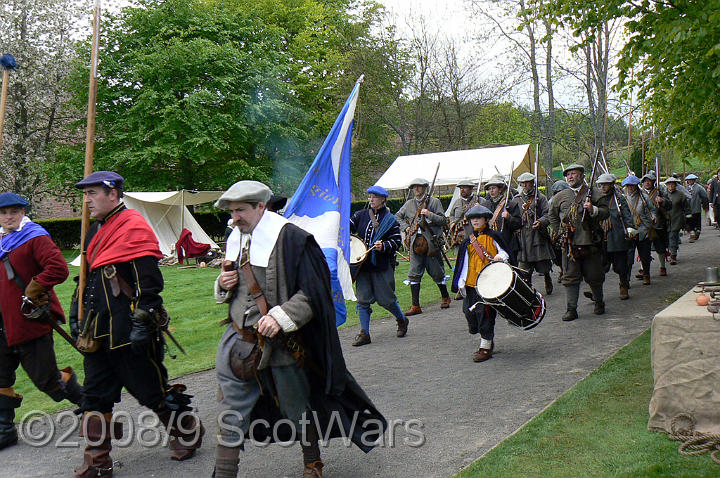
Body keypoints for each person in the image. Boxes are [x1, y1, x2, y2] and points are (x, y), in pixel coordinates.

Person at [213, 181, 386, 478]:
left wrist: (280, 317)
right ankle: (224, 473)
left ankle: (312, 461)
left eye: (241, 210)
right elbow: (236, 289)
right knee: (230, 412)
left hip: (281, 345)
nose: (235, 217)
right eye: (231, 211)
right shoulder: (236, 237)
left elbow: (314, 293)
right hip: (239, 346)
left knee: (297, 408)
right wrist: (222, 284)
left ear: (260, 207)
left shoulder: (293, 240)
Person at [72, 171, 203, 478]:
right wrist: (77, 315)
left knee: (151, 392)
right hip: (97, 329)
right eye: (86, 194)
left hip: (129, 330)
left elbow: (149, 283)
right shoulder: (93, 231)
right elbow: (89, 278)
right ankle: (98, 461)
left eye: (92, 193)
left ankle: (187, 432)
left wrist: (143, 323)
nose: (87, 200)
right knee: (94, 395)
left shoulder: (133, 226)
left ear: (113, 193)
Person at [0, 193, 82, 450]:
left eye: (14, 211)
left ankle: (91, 403)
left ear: (23, 212)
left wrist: (35, 288)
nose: (8, 217)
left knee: (46, 379)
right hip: (1, 323)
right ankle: (4, 430)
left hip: (28, 320)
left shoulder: (34, 236)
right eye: (3, 212)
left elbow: (59, 268)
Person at [451, 205, 512, 362]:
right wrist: (460, 282)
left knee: (484, 313)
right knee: (469, 312)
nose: (476, 221)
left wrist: (500, 257)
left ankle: (485, 346)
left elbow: (505, 252)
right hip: (471, 283)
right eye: (473, 218)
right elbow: (463, 264)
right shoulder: (467, 242)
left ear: (486, 219)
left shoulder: (494, 236)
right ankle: (485, 338)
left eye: (479, 218)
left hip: (489, 284)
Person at [548, 164, 609, 321]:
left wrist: (593, 210)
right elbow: (552, 215)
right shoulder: (560, 197)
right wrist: (560, 231)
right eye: (568, 175)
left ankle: (599, 302)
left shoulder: (595, 193)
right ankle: (571, 309)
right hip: (570, 245)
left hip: (591, 242)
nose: (570, 177)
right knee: (570, 278)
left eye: (573, 173)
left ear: (582, 175)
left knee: (595, 276)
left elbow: (605, 212)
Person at [349, 185, 407, 346]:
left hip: (381, 265)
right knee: (362, 300)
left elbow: (396, 242)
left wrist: (384, 246)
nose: (371, 199)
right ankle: (364, 333)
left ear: (383, 199)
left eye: (375, 197)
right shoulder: (360, 215)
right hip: (363, 266)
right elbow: (347, 227)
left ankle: (401, 319)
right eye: (370, 196)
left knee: (386, 300)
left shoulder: (390, 220)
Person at [395, 178, 450, 315]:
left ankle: (445, 297)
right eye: (414, 187)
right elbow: (397, 217)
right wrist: (407, 228)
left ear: (425, 188)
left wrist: (429, 214)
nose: (416, 189)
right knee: (414, 273)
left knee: (437, 272)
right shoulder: (409, 204)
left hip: (431, 242)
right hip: (415, 243)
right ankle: (415, 306)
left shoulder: (434, 202)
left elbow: (443, 220)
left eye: (419, 187)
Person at [510, 172, 554, 295]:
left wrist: (541, 222)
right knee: (524, 266)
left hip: (538, 235)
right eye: (523, 183)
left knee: (544, 264)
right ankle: (527, 286)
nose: (525, 185)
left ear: (532, 183)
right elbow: (513, 218)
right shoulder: (516, 200)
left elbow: (547, 214)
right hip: (523, 237)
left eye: (527, 182)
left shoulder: (541, 198)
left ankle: (547, 277)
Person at [595, 174, 636, 300]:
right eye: (601, 184)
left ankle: (623, 285)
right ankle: (597, 293)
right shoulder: (596, 199)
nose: (603, 187)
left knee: (620, 265)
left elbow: (626, 215)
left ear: (612, 185)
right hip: (602, 237)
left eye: (605, 184)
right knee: (599, 267)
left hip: (617, 236)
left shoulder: (619, 199)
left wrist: (630, 230)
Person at [622, 174, 656, 285]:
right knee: (627, 258)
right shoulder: (622, 198)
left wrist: (654, 217)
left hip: (643, 229)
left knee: (645, 256)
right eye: (628, 186)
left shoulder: (644, 197)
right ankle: (626, 280)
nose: (630, 188)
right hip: (628, 230)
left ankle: (646, 274)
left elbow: (652, 210)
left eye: (632, 185)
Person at [483, 174, 521, 261]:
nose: (491, 191)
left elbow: (518, 224)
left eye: (493, 188)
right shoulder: (485, 205)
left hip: (508, 244)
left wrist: (509, 217)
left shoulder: (511, 204)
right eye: (489, 189)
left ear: (500, 189)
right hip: (490, 244)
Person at [640, 171, 671, 277]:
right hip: (644, 225)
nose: (647, 183)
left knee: (660, 247)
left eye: (649, 181)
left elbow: (669, 204)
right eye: (645, 181)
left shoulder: (660, 191)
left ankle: (663, 266)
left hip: (659, 224)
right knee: (643, 248)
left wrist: (662, 201)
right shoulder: (640, 193)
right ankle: (643, 269)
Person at [447, 179, 486, 247]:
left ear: (471, 188)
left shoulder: (481, 201)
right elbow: (452, 214)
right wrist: (452, 222)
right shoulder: (457, 202)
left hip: (476, 235)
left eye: (464, 187)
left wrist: (479, 208)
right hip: (460, 236)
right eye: (461, 188)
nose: (462, 190)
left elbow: (487, 216)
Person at [664, 176, 691, 264]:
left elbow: (686, 206)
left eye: (672, 184)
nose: (671, 186)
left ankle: (673, 255)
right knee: (668, 237)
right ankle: (670, 252)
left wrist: (688, 216)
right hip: (666, 220)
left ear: (675, 185)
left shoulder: (680, 194)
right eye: (669, 184)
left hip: (677, 218)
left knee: (673, 236)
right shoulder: (663, 194)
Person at [684, 173, 709, 241]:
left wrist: (704, 204)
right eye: (689, 180)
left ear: (694, 180)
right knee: (689, 221)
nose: (690, 181)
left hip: (696, 207)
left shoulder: (699, 187)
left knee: (697, 221)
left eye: (692, 180)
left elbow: (704, 196)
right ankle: (692, 234)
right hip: (689, 208)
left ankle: (697, 231)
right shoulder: (686, 188)